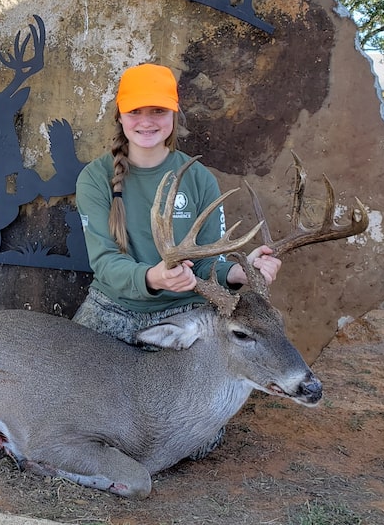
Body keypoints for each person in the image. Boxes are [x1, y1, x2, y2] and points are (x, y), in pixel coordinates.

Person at [73, 64, 282, 460]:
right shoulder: (95, 179)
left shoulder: (199, 178)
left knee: (202, 441)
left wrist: (241, 272)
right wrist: (152, 276)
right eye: (135, 111)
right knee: (71, 412)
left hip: (184, 316)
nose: (147, 122)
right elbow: (104, 263)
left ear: (174, 116)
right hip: (111, 312)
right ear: (119, 115)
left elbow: (208, 264)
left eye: (158, 112)